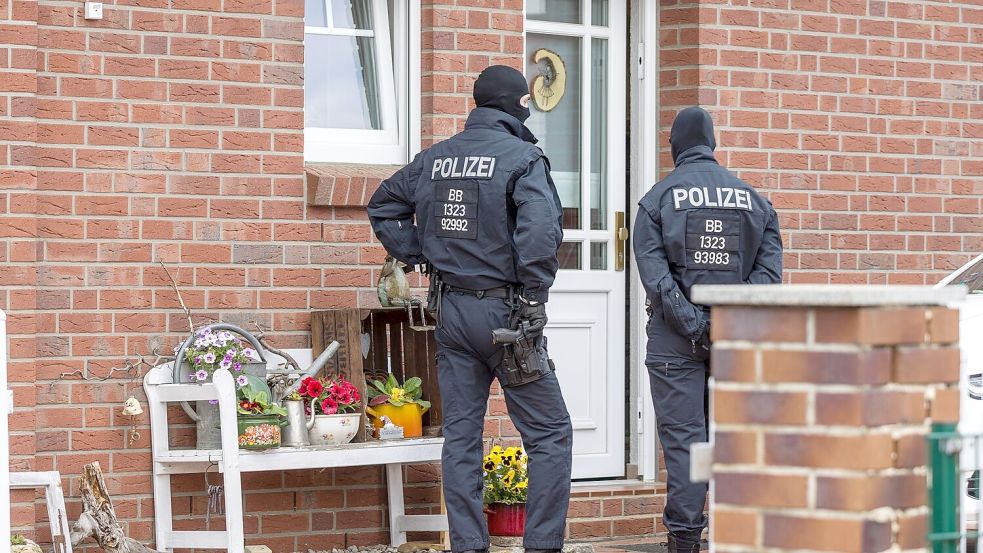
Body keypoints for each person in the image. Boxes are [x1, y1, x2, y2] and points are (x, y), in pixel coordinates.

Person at [366, 65, 572, 553]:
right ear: (514, 104)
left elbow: (383, 205)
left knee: (461, 437)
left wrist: (420, 252)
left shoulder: (435, 158)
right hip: (506, 318)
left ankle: (468, 546)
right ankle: (542, 545)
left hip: (451, 315)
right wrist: (534, 297)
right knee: (550, 433)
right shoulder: (523, 157)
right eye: (526, 101)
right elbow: (540, 233)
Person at [633, 106, 783, 553]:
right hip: (736, 339)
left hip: (674, 341)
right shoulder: (755, 201)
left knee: (685, 443)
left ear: (675, 146)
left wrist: (695, 324)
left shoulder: (657, 201)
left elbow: (657, 280)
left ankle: (685, 542)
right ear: (712, 143)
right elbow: (768, 278)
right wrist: (724, 322)